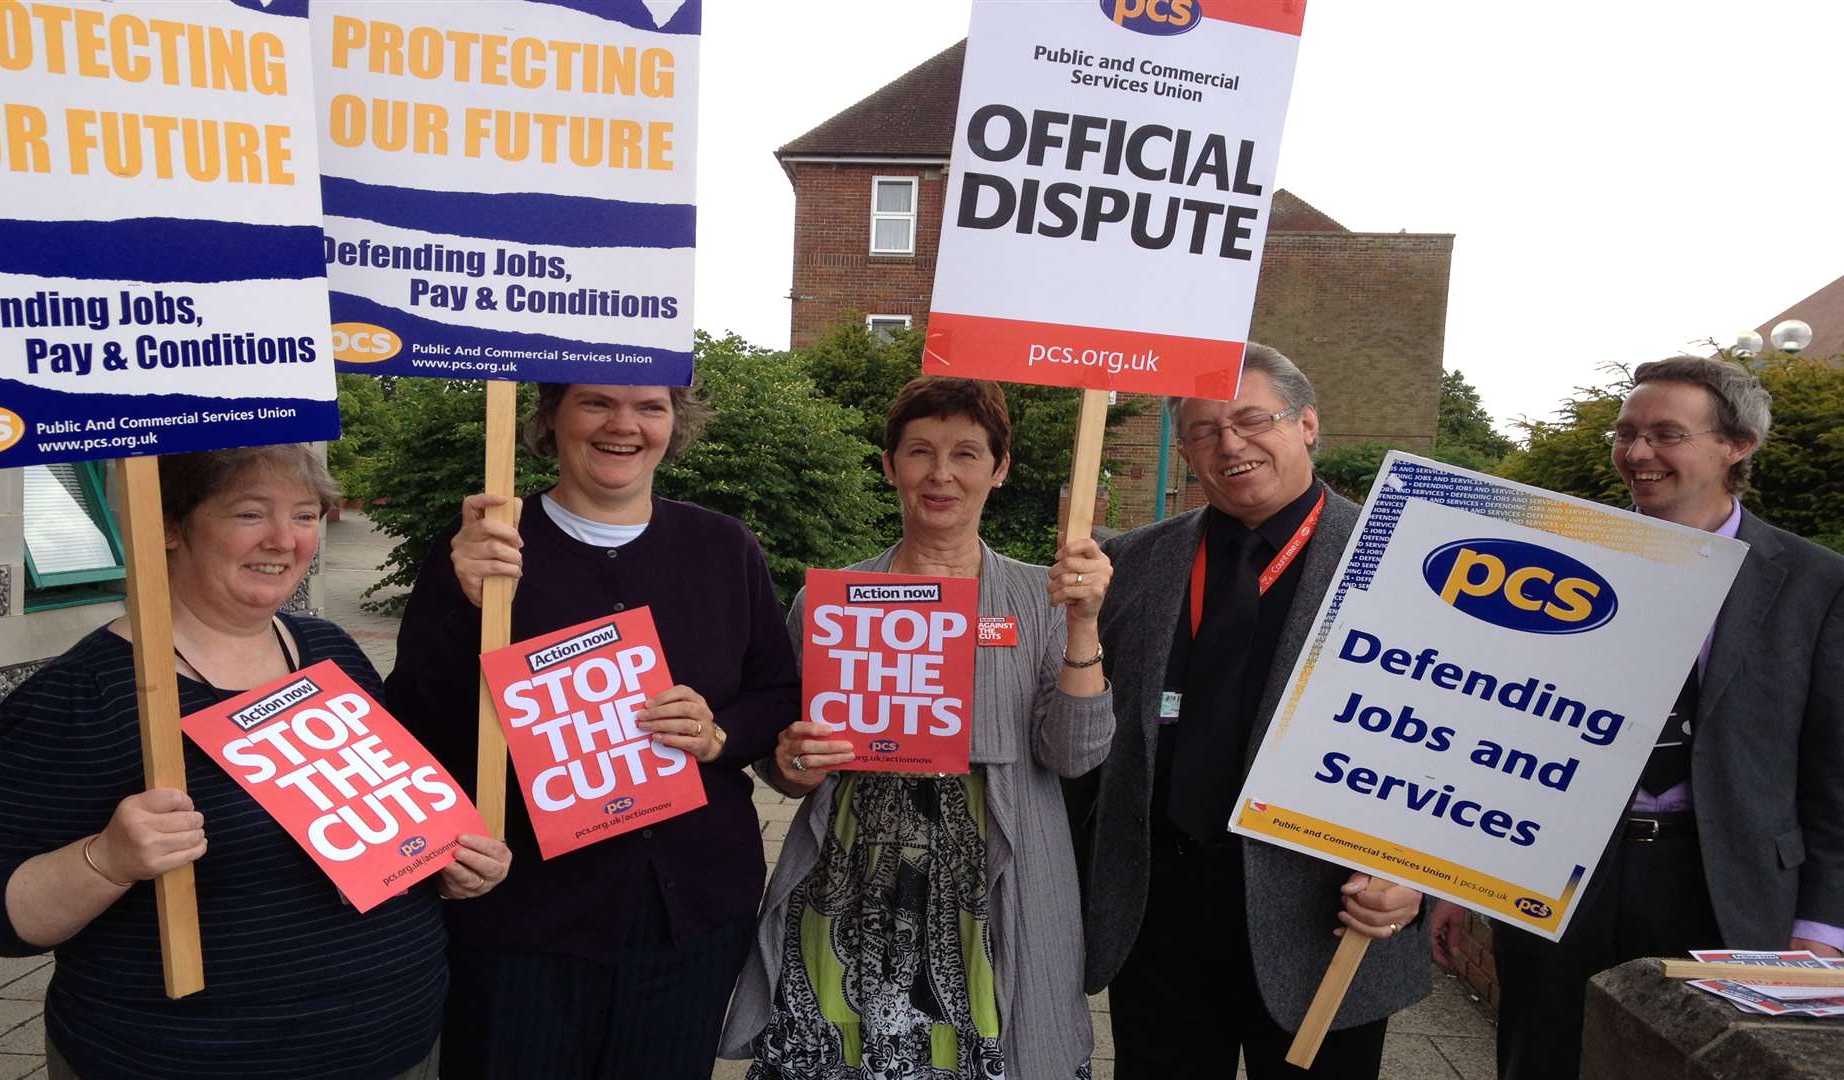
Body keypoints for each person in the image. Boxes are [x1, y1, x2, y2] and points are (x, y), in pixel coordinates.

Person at [0, 445, 511, 1080]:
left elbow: (373, 829)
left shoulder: (328, 649)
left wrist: (448, 864)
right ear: (171, 527)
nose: (285, 540)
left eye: (306, 514)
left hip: (397, 1044)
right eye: (248, 514)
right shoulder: (79, 696)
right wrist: (106, 860)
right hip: (187, 1059)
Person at [1433, 355, 1844, 1079]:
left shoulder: (1816, 582)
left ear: (1737, 445)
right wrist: (1454, 878)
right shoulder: (1559, 561)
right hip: (1563, 875)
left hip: (1730, 887)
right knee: (1543, 1059)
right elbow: (1493, 729)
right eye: (1626, 433)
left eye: (1665, 434)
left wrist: (1823, 927)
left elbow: (1834, 770)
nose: (1637, 453)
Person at [386, 381, 799, 1079]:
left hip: (688, 921)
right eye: (597, 403)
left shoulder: (723, 547)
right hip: (525, 924)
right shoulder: (490, 550)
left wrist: (718, 733)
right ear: (551, 419)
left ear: (675, 423)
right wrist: (464, 603)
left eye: (650, 407)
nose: (624, 425)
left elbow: (777, 693)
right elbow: (415, 722)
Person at [720, 376, 1116, 1079]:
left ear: (999, 470)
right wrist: (791, 763)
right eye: (919, 452)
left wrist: (1084, 622)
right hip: (848, 880)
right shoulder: (830, 601)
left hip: (994, 889)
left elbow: (1075, 754)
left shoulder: (1040, 597)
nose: (941, 474)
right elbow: (782, 762)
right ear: (889, 466)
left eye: (966, 453)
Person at [1070, 345, 1430, 1079]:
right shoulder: (1132, 563)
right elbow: (1091, 734)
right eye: (1203, 430)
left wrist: (1421, 873)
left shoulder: (1410, 560)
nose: (1229, 443)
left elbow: (1472, 739)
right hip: (1158, 914)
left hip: (1324, 919)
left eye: (1250, 419)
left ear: (1307, 425)